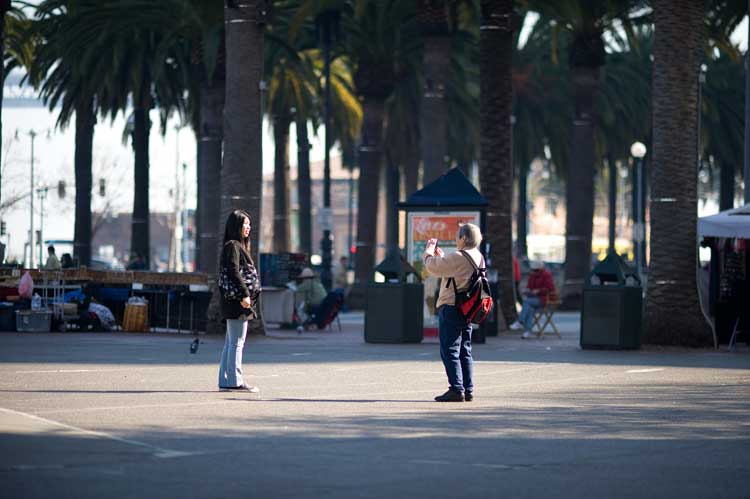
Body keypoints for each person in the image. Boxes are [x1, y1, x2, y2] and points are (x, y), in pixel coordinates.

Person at [423, 223, 484, 402]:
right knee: (465, 349)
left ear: (464, 238)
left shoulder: (458, 256)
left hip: (451, 307)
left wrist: (428, 252)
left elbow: (432, 267)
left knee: (449, 350)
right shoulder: (478, 256)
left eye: (458, 236)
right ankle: (468, 388)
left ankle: (456, 389)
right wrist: (443, 258)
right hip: (467, 309)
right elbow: (456, 273)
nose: (456, 239)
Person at [217, 210, 261, 393]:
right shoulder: (234, 246)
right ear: (236, 226)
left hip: (233, 300)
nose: (248, 228)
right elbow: (234, 271)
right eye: (245, 224)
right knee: (237, 342)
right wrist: (245, 294)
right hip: (238, 301)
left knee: (231, 341)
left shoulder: (232, 246)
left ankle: (226, 379)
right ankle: (235, 380)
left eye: (249, 224)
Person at [510, 260, 556, 338]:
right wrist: (527, 291)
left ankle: (520, 321)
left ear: (541, 269)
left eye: (536, 270)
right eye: (534, 270)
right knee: (530, 309)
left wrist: (538, 291)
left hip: (543, 298)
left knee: (526, 302)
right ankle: (527, 332)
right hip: (533, 298)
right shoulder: (532, 276)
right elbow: (529, 286)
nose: (535, 271)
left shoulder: (546, 275)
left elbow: (550, 289)